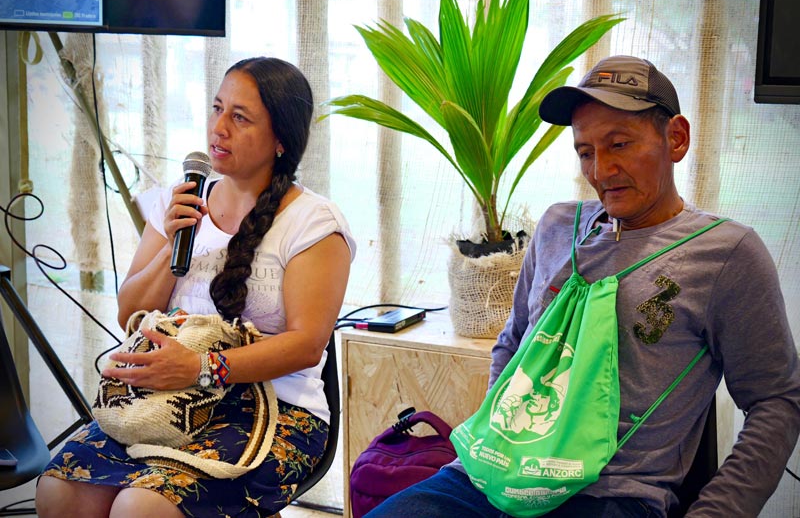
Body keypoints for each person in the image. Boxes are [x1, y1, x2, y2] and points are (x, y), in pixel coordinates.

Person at [365, 55, 800, 517]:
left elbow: (777, 400)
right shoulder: (557, 227)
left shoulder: (725, 255)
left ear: (676, 138)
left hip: (609, 496)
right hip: (487, 479)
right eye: (586, 152)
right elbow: (512, 344)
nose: (601, 170)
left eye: (620, 145)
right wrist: (500, 438)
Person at [35, 57, 356, 517]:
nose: (218, 128)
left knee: (141, 508)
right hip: (161, 400)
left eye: (239, 117)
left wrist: (200, 368)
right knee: (58, 492)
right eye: (217, 108)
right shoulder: (179, 200)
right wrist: (173, 243)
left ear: (281, 140)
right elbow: (130, 314)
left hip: (275, 410)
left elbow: (307, 346)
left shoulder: (313, 222)